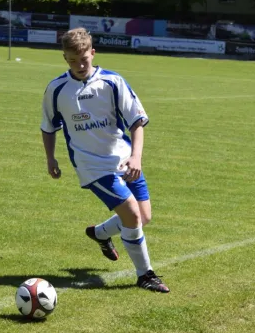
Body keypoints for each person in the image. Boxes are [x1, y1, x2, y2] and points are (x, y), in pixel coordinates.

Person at [40, 27, 169, 293]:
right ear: (65, 58)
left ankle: (99, 233)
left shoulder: (112, 82)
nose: (79, 65)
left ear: (93, 53)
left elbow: (137, 122)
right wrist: (50, 157)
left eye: (83, 59)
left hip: (125, 161)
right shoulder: (57, 89)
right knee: (132, 215)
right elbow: (48, 126)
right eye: (72, 60)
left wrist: (136, 156)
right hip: (93, 167)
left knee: (144, 217)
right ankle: (145, 275)